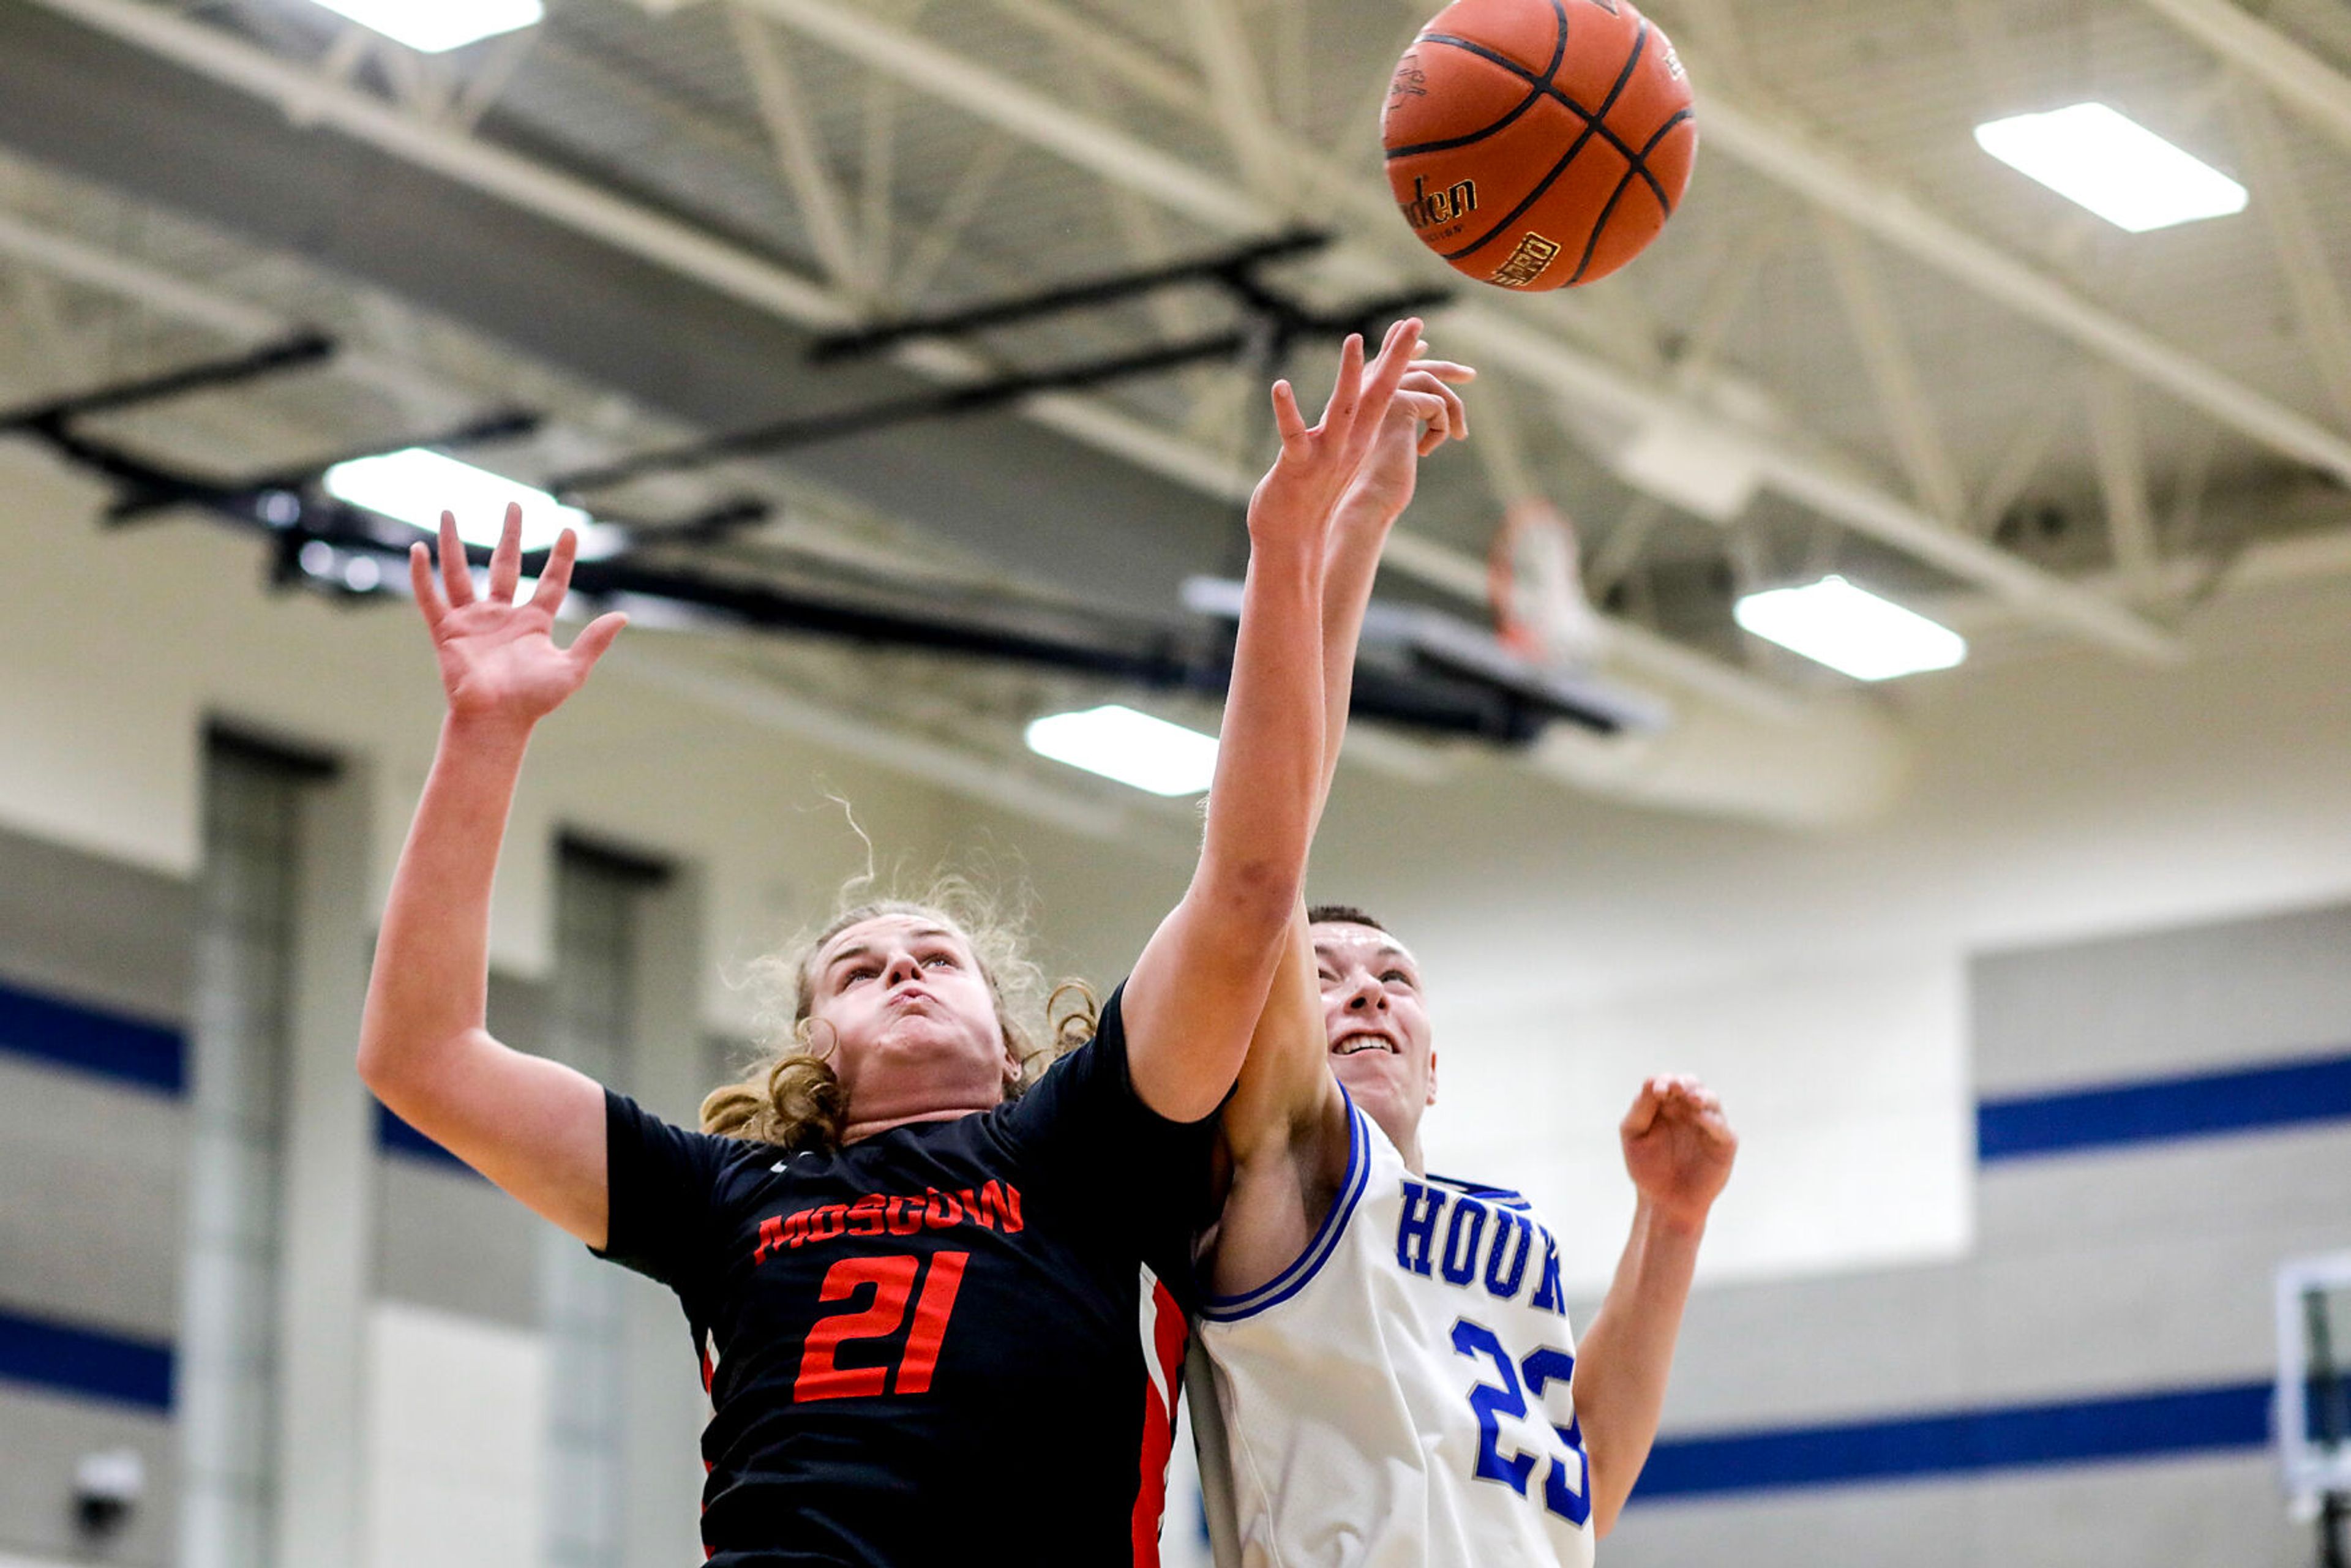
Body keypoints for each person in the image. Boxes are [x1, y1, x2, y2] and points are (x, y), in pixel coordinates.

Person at [356, 320, 1449, 1566]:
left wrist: (1297, 548)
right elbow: (422, 1057)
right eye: (862, 972)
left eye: (937, 959)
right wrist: (484, 735)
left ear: (1009, 1025)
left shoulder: (1090, 1145)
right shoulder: (729, 1196)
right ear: (815, 1044)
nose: (906, 974)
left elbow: (1257, 881)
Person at [1190, 363, 1740, 1567]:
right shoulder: (1283, 1176)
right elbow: (1274, 833)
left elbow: (1579, 1480)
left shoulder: (1501, 1235)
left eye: (1393, 976)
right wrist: (1346, 530)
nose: (1366, 990)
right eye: (1324, 976)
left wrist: (1670, 1224)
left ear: (1437, 1065)